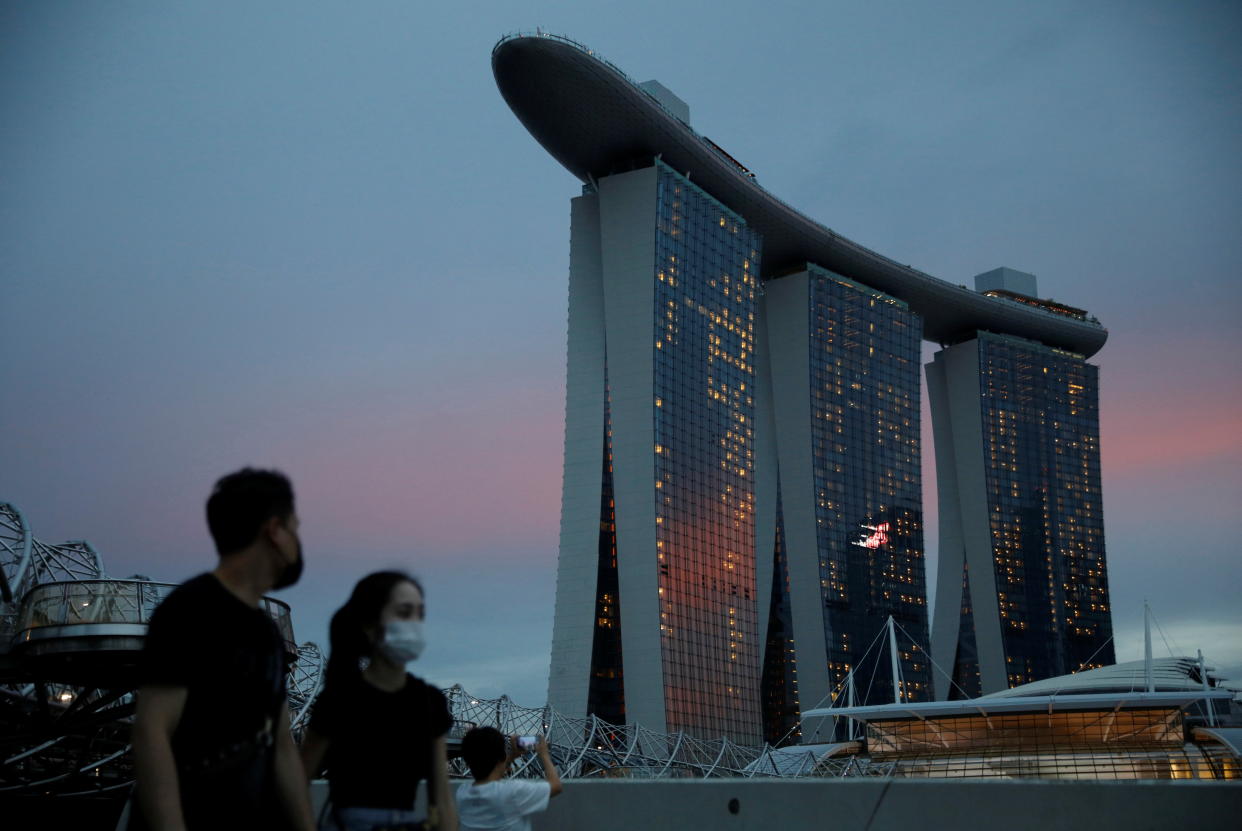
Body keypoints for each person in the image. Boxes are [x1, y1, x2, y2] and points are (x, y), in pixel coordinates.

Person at [131, 468, 314, 831]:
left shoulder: (267, 632)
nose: (298, 541)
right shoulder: (189, 610)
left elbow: (280, 744)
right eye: (295, 527)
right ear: (275, 531)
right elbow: (152, 731)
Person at [299, 571, 457, 831]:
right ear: (369, 624)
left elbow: (442, 798)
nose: (415, 624)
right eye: (404, 613)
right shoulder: (340, 697)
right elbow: (298, 781)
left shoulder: (431, 701)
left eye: (420, 614)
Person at [456, 728, 562, 831]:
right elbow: (556, 786)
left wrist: (512, 756)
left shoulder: (462, 793)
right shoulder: (512, 792)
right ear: (500, 757)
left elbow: (494, 770)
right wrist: (543, 754)